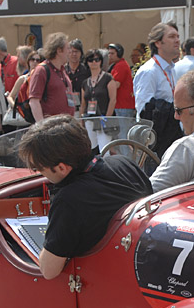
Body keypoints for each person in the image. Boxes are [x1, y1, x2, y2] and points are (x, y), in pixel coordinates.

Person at [17, 116, 151, 279]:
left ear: (61, 167)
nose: (41, 174)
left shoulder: (69, 200)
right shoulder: (124, 164)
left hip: (101, 280)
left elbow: (49, 271)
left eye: (38, 168)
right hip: (141, 264)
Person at [134, 22, 181, 115]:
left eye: (177, 36)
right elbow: (144, 110)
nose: (177, 40)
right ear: (158, 43)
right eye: (172, 37)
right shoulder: (149, 71)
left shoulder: (172, 69)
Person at [28, 32, 73, 122]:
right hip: (51, 129)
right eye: (67, 48)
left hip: (66, 126)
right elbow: (34, 101)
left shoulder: (63, 70)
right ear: (59, 50)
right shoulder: (42, 70)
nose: (70, 51)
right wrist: (42, 127)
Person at [81, 49, 115, 116]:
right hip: (88, 118)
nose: (94, 62)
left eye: (97, 60)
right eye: (90, 60)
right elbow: (83, 104)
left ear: (101, 61)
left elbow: (113, 100)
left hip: (103, 118)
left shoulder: (108, 78)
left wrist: (107, 118)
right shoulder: (85, 83)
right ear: (87, 62)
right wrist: (81, 120)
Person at [105, 43, 135, 117]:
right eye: (109, 53)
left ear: (119, 53)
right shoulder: (117, 65)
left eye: (112, 53)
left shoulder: (121, 66)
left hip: (123, 106)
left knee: (124, 128)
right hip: (122, 106)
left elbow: (116, 85)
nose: (109, 56)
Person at [64, 39, 89, 109]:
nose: (74, 54)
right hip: (66, 107)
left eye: (76, 52)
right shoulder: (63, 70)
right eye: (71, 52)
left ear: (81, 53)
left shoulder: (86, 70)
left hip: (82, 107)